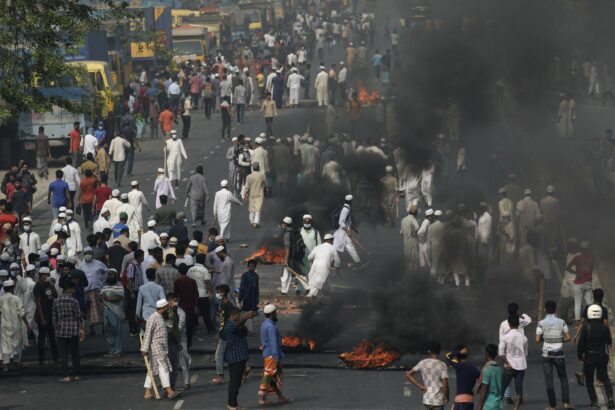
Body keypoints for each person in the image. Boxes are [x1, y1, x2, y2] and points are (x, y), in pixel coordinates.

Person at [536, 300, 573, 410]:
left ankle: (552, 406)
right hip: (559, 354)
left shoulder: (541, 323)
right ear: (556, 309)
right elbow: (568, 338)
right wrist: (559, 339)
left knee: (549, 380)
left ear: (545, 310)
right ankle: (566, 403)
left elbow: (537, 340)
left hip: (547, 355)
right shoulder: (561, 322)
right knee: (563, 378)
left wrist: (546, 338)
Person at [141, 298, 181, 400]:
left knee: (152, 369)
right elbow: (148, 333)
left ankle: (147, 392)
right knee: (164, 368)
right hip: (156, 346)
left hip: (161, 347)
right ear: (163, 308)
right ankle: (169, 391)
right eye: (167, 307)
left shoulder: (161, 317)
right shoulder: (153, 318)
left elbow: (170, 327)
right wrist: (144, 348)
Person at [577, 304, 614, 408]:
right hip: (602, 355)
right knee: (605, 377)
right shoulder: (605, 328)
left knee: (589, 380)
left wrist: (580, 355)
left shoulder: (586, 327)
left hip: (589, 357)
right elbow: (609, 341)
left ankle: (594, 401)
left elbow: (581, 344)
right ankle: (610, 398)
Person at [258, 304, 292, 405]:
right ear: (272, 313)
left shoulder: (264, 324)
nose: (276, 314)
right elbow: (273, 344)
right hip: (271, 355)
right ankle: (262, 398)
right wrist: (277, 357)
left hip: (268, 354)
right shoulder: (271, 327)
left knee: (273, 377)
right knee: (268, 376)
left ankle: (280, 397)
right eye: (275, 313)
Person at [52, 280, 83, 381]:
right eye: (73, 289)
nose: (74, 291)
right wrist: (81, 329)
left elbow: (54, 317)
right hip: (73, 330)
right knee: (75, 353)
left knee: (63, 354)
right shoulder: (74, 301)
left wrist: (56, 328)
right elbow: (78, 316)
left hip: (61, 331)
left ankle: (66, 376)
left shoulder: (57, 301)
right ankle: (77, 374)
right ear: (69, 289)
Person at [225, 307, 255, 410]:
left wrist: (244, 320)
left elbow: (244, 331)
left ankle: (234, 403)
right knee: (234, 382)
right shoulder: (229, 325)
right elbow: (235, 326)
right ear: (233, 316)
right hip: (235, 358)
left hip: (240, 358)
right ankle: (232, 404)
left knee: (237, 382)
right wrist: (246, 316)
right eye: (238, 316)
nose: (239, 318)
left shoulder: (238, 325)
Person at [406, 340, 449, 409]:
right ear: (439, 351)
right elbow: (446, 386)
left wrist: (420, 386)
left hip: (427, 400)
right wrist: (447, 397)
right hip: (438, 401)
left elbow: (408, 375)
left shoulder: (422, 362)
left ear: (429, 351)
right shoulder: (442, 365)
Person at [0, 279, 31, 370]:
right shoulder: (16, 299)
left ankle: (6, 365)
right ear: (13, 288)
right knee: (16, 343)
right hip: (15, 325)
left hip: (4, 325)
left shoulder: (0, 299)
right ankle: (17, 362)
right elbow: (21, 313)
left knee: (5, 344)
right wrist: (27, 324)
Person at [499, 315, 528, 410]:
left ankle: (496, 406)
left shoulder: (505, 337)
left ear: (509, 324)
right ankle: (516, 408)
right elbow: (526, 353)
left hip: (510, 366)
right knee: (519, 388)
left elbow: (501, 353)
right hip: (521, 366)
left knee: (502, 388)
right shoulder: (524, 338)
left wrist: (506, 363)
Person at [33, 267, 59, 365]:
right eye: (45, 275)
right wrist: (42, 318)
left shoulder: (48, 284)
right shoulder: (38, 287)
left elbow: (55, 295)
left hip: (50, 314)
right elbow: (38, 303)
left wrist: (52, 285)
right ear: (40, 275)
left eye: (48, 275)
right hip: (42, 315)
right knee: (42, 338)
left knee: (52, 337)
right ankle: (41, 359)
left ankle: (56, 357)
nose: (47, 277)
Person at [303, 233, 340, 298]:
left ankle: (313, 294)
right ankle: (309, 296)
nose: (333, 241)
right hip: (324, 266)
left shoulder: (317, 247)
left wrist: (315, 261)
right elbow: (337, 260)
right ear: (330, 240)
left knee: (313, 281)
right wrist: (337, 270)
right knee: (318, 282)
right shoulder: (332, 248)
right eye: (332, 240)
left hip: (315, 265)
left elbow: (309, 258)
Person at [444, 345, 480, 409]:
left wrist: (459, 352)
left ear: (457, 357)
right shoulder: (473, 368)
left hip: (460, 401)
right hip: (470, 400)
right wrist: (477, 388)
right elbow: (482, 378)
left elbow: (447, 356)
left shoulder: (459, 365)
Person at [566, 240, 593, 323]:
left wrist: (576, 273)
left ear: (581, 249)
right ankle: (589, 320)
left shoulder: (577, 258)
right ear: (588, 249)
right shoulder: (592, 257)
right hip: (588, 282)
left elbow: (567, 267)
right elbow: (592, 268)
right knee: (589, 303)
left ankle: (578, 321)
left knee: (577, 303)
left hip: (578, 283)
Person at [333, 195, 363, 269]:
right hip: (342, 232)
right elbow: (341, 222)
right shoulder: (345, 210)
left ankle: (358, 262)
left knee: (337, 246)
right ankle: (358, 263)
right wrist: (348, 231)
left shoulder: (347, 208)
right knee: (334, 246)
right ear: (350, 201)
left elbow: (347, 221)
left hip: (344, 231)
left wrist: (352, 228)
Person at [212, 284, 233, 384]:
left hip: (226, 333)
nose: (218, 294)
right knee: (229, 354)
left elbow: (231, 319)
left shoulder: (228, 305)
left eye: (220, 291)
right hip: (222, 332)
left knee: (218, 355)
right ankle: (245, 370)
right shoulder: (222, 303)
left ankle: (220, 375)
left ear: (224, 293)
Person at [173, 263, 198, 348]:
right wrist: (195, 306)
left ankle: (181, 343)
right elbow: (196, 294)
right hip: (190, 306)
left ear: (179, 271)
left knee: (180, 325)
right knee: (189, 326)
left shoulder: (177, 282)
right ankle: (189, 344)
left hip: (181, 306)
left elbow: (175, 295)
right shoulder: (192, 281)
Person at [187, 253, 214, 333]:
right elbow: (207, 282)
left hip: (193, 295)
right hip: (203, 294)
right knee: (206, 313)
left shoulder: (190, 270)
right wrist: (211, 292)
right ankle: (210, 329)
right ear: (204, 260)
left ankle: (194, 328)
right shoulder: (204, 270)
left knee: (193, 312)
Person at [100, 268, 124, 356]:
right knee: (108, 331)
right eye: (108, 275)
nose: (110, 276)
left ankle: (118, 350)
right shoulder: (105, 285)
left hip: (115, 311)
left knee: (116, 331)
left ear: (115, 275)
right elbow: (101, 296)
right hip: (106, 310)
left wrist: (108, 298)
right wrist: (101, 297)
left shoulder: (119, 285)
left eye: (112, 275)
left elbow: (120, 297)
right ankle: (112, 349)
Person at [477, 344, 504, 410]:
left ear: (486, 354)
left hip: (489, 405)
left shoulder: (487, 370)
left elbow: (484, 390)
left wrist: (479, 406)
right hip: (498, 404)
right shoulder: (498, 368)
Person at [242, 162, 266, 228]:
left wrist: (245, 195)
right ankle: (256, 222)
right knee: (258, 209)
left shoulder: (249, 176)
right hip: (259, 194)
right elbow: (264, 184)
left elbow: (246, 187)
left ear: (253, 168)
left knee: (252, 208)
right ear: (258, 168)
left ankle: (252, 221)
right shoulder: (262, 176)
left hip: (251, 194)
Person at [238, 259, 259, 333]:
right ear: (247, 267)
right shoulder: (245, 275)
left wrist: (257, 300)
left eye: (252, 266)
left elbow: (257, 288)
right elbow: (242, 287)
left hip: (253, 298)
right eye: (250, 266)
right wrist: (240, 298)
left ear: (255, 267)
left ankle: (246, 328)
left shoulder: (256, 276)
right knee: (247, 313)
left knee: (250, 314)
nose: (251, 268)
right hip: (246, 297)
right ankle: (249, 329)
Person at [400, 204, 420, 271]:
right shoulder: (413, 219)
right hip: (412, 242)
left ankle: (409, 275)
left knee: (408, 261)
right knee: (414, 261)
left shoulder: (403, 220)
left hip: (405, 243)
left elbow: (401, 233)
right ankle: (414, 276)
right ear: (416, 212)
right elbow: (417, 228)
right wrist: (413, 233)